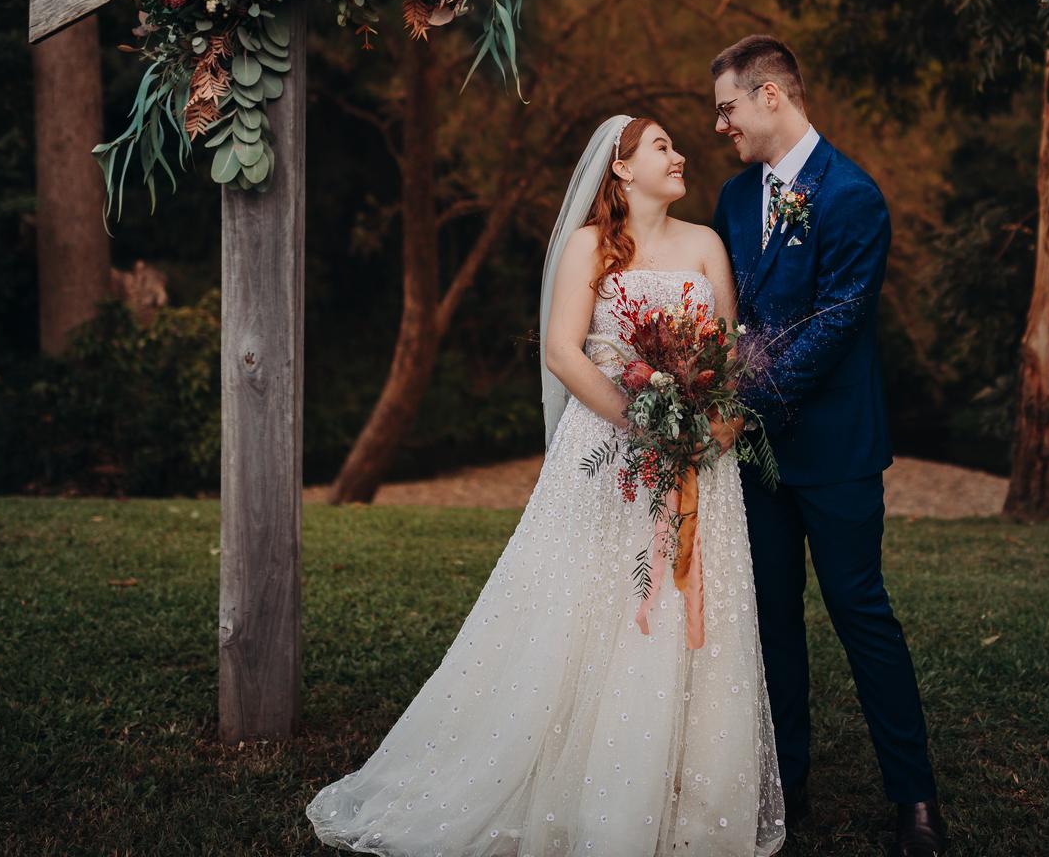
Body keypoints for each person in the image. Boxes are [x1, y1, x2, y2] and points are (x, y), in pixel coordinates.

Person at [307, 114, 785, 857]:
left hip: (696, 465)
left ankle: (688, 803)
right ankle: (571, 788)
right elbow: (565, 353)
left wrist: (710, 422)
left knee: (688, 614)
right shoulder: (589, 245)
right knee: (588, 610)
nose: (680, 153)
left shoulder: (706, 245)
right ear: (622, 169)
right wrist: (642, 421)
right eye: (662, 147)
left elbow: (726, 351)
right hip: (608, 454)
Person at [709, 35, 947, 856]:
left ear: (772, 95)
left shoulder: (853, 196)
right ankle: (789, 783)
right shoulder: (736, 201)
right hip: (754, 462)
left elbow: (840, 321)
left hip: (837, 450)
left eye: (727, 107)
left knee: (860, 613)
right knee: (772, 616)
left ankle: (914, 798)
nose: (720, 125)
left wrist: (746, 402)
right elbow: (726, 315)